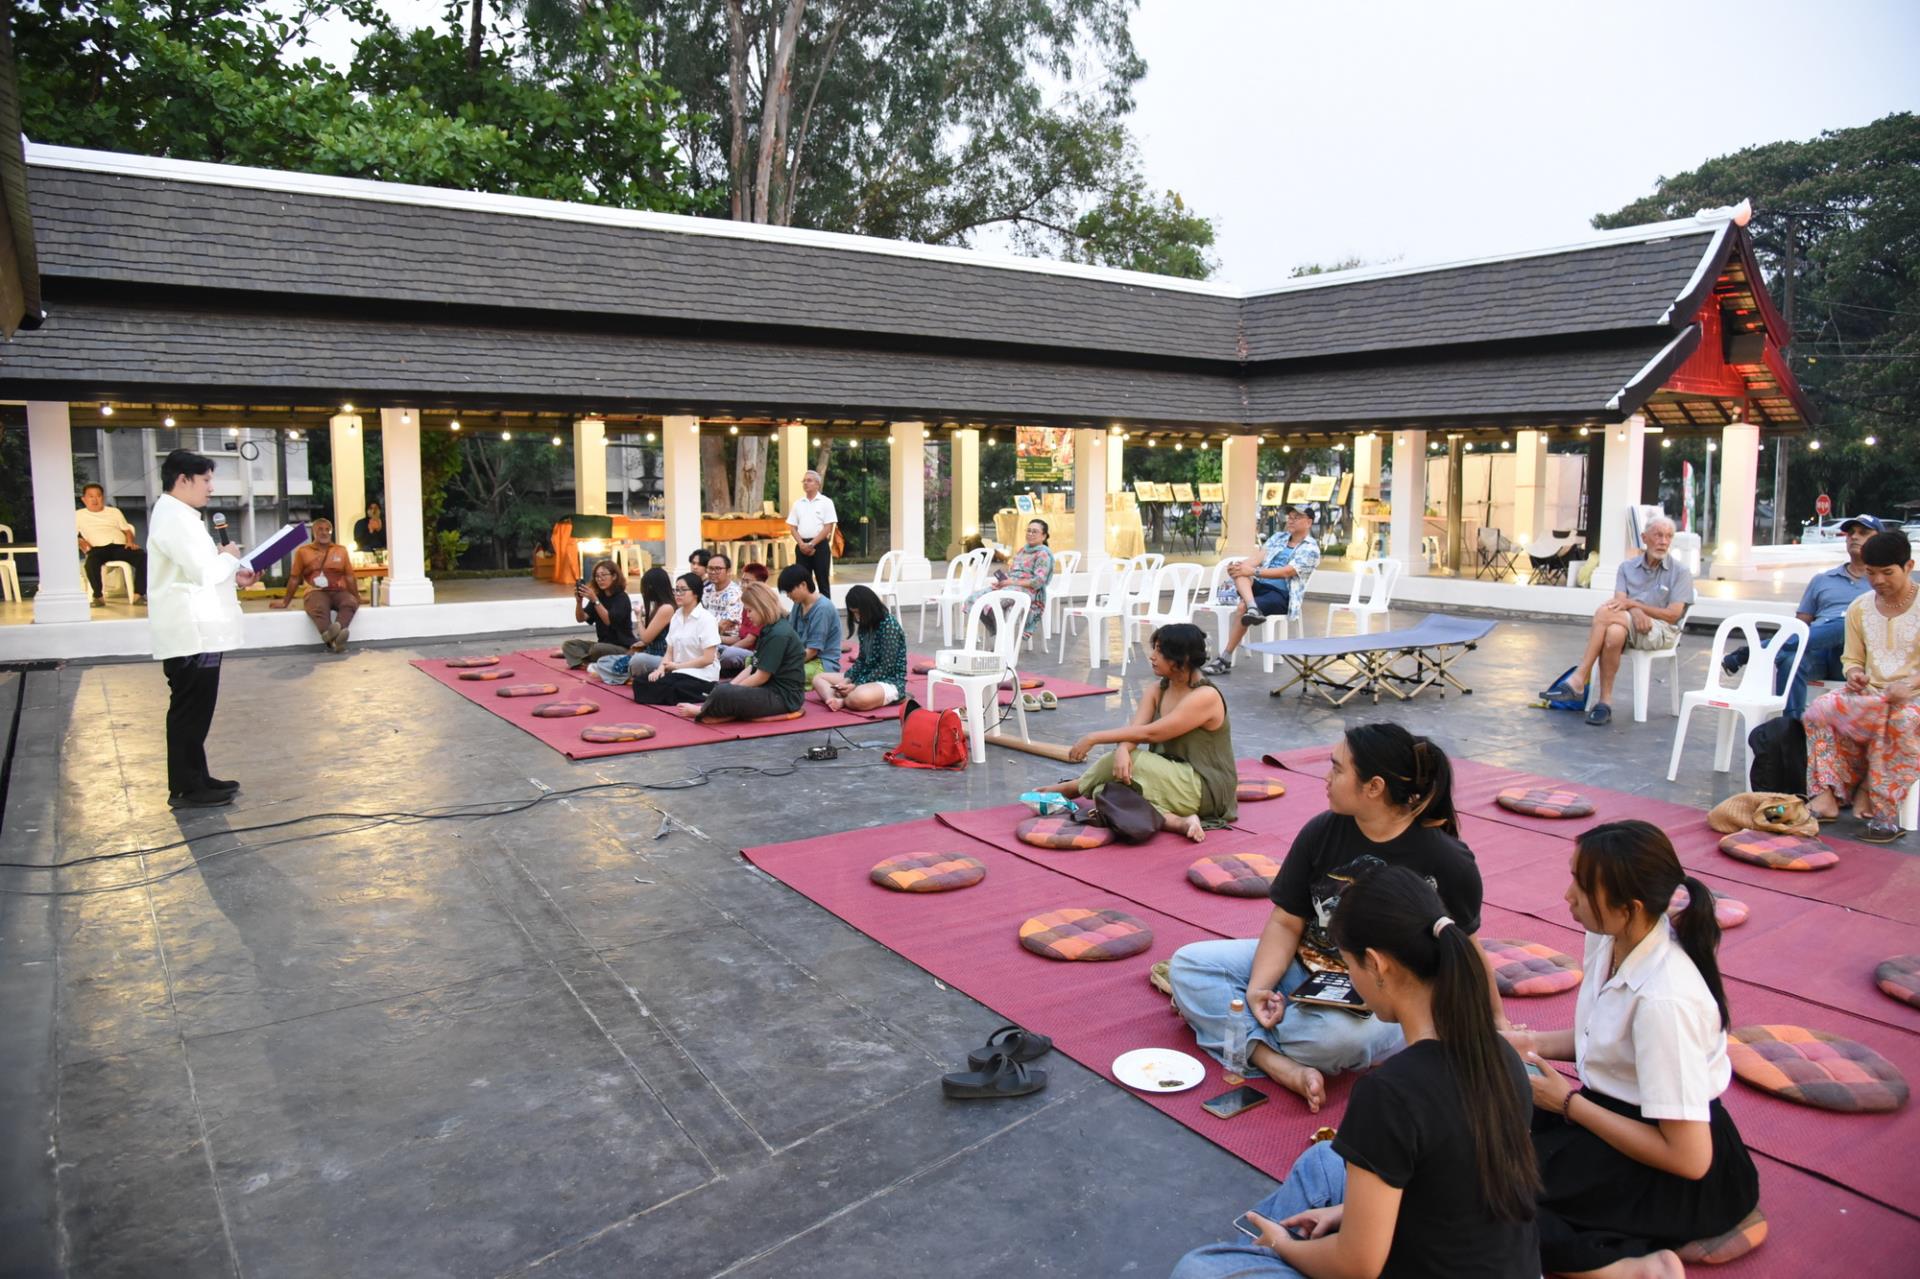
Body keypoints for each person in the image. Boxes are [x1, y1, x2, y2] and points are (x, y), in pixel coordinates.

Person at [1172, 864, 1539, 1279]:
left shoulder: (1390, 1092)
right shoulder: (1502, 1056)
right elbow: (1456, 1183)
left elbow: (1356, 1266)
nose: (1348, 977)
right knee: (1325, 1161)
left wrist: (1285, 1247)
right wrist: (1349, 1213)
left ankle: (1258, 1251)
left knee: (1197, 1270)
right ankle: (1257, 1253)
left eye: (1348, 965)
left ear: (1377, 965)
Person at [1167, 723, 1500, 1111]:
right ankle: (1274, 1062)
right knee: (1188, 966)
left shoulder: (1446, 860)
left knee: (1332, 1043)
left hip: (1380, 997)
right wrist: (1259, 987)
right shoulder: (1323, 831)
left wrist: (1496, 1024)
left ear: (1373, 787)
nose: (1326, 778)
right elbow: (1286, 921)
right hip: (1302, 965)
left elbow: (1467, 948)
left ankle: (1238, 1029)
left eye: (1337, 769)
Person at [1509, 821, 1757, 1278]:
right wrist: (1529, 1044)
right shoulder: (1611, 936)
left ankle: (1627, 1268)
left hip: (1674, 1172)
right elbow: (1607, 1042)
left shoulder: (1666, 1001)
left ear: (1630, 907)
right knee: (1479, 1137)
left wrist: (1566, 1103)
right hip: (1609, 1115)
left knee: (1492, 1197)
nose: (1568, 896)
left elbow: (1689, 1158)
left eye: (1582, 887)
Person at [1036, 623, 1235, 843]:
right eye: (1154, 649)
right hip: (1170, 780)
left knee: (1128, 763)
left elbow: (1152, 734)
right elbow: (1135, 730)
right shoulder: (1157, 690)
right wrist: (1123, 749)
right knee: (1105, 790)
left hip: (1205, 787)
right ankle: (1180, 822)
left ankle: (1070, 788)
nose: (1152, 656)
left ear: (1183, 658)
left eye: (1160, 651)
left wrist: (1093, 738)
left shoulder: (1205, 696)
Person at [147, 449, 259, 808]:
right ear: (183, 479)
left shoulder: (182, 516)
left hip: (201, 630)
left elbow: (200, 570)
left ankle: (197, 776)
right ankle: (186, 787)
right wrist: (229, 557)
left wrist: (234, 574)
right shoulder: (173, 519)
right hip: (189, 632)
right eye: (206, 479)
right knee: (189, 710)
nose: (211, 487)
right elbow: (204, 573)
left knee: (197, 710)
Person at [1803, 528, 1918, 841]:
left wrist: (1909, 685)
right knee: (1820, 709)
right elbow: (1852, 659)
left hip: (1914, 697)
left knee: (1900, 718)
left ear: (1908, 566)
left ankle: (1880, 803)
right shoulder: (1860, 607)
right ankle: (1826, 794)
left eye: (1887, 572)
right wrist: (1855, 675)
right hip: (1873, 694)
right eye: (1871, 572)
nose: (1878, 580)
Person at [1540, 515, 1693, 726]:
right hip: (1628, 624)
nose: (1663, 541)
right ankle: (1604, 703)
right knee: (1613, 633)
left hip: (1661, 630)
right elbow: (1619, 603)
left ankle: (1579, 677)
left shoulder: (1681, 572)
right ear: (1644, 538)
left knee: (1604, 613)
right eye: (1658, 535)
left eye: (1668, 536)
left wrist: (1633, 605)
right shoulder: (1626, 568)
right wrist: (1634, 609)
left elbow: (1672, 614)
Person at [1722, 514, 1878, 717]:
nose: (1855, 537)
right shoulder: (1823, 579)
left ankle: (1756, 650)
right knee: (1791, 660)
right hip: (1818, 652)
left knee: (1848, 621)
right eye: (1851, 533)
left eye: (1863, 533)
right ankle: (1790, 727)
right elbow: (1799, 626)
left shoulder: (1881, 582)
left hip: (1855, 660)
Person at [1203, 507, 1318, 675]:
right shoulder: (1278, 537)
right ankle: (1253, 607)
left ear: (1308, 522)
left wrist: (1253, 571)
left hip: (1282, 595)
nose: (1291, 520)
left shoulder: (1311, 548)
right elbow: (1256, 559)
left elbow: (1287, 572)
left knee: (1241, 607)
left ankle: (1224, 658)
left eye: (1297, 517)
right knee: (1240, 572)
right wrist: (1239, 566)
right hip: (1260, 587)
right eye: (1290, 516)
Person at [677, 582, 807, 723]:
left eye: (750, 611)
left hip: (783, 697)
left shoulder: (778, 634)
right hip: (769, 689)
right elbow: (752, 667)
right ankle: (717, 709)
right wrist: (731, 687)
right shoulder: (769, 629)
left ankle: (703, 711)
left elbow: (760, 677)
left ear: (762, 607)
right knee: (722, 688)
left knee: (724, 692)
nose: (747, 616)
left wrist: (729, 692)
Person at [270, 517, 360, 652]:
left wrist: (356, 597)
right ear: (314, 532)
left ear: (331, 532)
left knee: (350, 602)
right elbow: (294, 578)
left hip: (339, 591)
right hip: (315, 592)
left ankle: (336, 632)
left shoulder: (341, 550)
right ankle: (334, 639)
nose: (324, 532)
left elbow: (350, 577)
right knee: (319, 607)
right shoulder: (303, 552)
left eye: (328, 530)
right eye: (320, 529)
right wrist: (285, 602)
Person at [632, 572, 722, 706]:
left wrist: (678, 666)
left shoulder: (706, 619)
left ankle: (707, 692)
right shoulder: (676, 616)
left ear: (695, 593)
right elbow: (669, 651)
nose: (678, 594)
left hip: (701, 675)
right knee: (640, 682)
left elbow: (707, 659)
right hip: (678, 672)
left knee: (674, 688)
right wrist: (660, 669)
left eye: (683, 590)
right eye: (676, 590)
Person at [817, 584, 908, 711]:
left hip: (889, 681)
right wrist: (847, 680)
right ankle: (833, 699)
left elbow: (886, 667)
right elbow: (861, 660)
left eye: (858, 612)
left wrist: (856, 684)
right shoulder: (865, 624)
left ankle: (843, 700)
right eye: (854, 613)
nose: (857, 617)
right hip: (864, 675)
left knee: (858, 697)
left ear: (868, 608)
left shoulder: (889, 625)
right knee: (818, 678)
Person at [964, 519, 1054, 641]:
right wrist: (1002, 583)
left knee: (993, 602)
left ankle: (1002, 638)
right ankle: (999, 631)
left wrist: (1010, 583)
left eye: (1035, 531)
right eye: (1028, 531)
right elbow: (1013, 574)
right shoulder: (1022, 551)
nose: (1030, 534)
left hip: (1029, 590)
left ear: (1043, 536)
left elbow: (1038, 582)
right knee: (975, 598)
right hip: (1011, 586)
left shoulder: (1043, 554)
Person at [592, 566, 675, 684]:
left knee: (637, 660)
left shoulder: (666, 608)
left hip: (663, 658)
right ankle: (621, 673)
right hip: (649, 652)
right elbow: (646, 639)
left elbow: (646, 638)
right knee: (604, 661)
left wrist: (639, 618)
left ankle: (628, 676)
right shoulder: (658, 606)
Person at [75, 482, 149, 605]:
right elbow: (71, 536)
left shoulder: (114, 512)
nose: (95, 499)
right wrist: (81, 542)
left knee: (142, 556)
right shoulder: (78, 515)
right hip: (97, 548)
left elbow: (127, 530)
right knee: (90, 563)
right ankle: (98, 597)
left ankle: (138, 595)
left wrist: (130, 542)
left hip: (119, 546)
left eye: (98, 496)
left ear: (102, 497)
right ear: (84, 499)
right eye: (91, 496)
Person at [560, 558, 636, 668]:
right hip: (602, 644)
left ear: (614, 576)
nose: (600, 579)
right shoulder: (599, 597)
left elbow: (609, 621)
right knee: (569, 645)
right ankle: (588, 662)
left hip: (621, 646)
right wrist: (579, 602)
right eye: (597, 576)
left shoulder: (622, 598)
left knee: (597, 649)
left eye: (604, 575)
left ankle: (582, 661)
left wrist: (595, 600)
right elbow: (581, 618)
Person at [781, 563, 843, 676]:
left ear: (803, 585)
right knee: (757, 663)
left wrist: (785, 664)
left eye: (790, 591)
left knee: (781, 674)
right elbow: (790, 635)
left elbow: (813, 651)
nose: (788, 595)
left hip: (822, 663)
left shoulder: (822, 608)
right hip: (803, 657)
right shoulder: (798, 604)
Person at [787, 468, 838, 596]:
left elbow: (828, 527)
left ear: (817, 484)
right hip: (802, 546)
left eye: (809, 480)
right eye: (804, 481)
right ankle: (804, 608)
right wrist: (801, 544)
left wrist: (811, 544)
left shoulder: (826, 502)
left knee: (823, 581)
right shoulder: (798, 503)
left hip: (819, 546)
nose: (805, 483)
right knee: (802, 582)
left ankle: (825, 607)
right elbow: (792, 527)